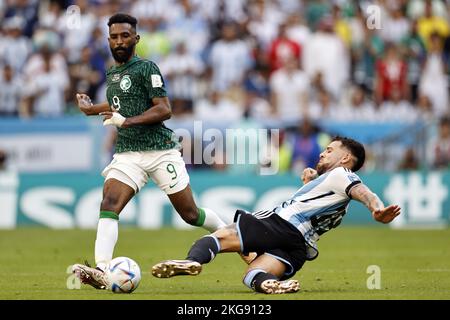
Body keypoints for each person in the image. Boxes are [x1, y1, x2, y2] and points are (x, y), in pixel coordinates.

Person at [72, 13, 226, 289]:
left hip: (160, 151)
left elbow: (164, 109)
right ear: (108, 40)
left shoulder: (147, 68)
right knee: (109, 204)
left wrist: (126, 121)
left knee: (190, 214)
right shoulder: (112, 72)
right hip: (128, 153)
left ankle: (234, 238)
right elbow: (119, 105)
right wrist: (91, 109)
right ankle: (102, 270)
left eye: (125, 36)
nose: (119, 41)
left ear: (136, 38)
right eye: (115, 37)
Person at [151, 137, 401, 294]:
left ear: (345, 158)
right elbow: (325, 201)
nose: (323, 153)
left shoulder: (342, 175)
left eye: (329, 150)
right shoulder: (334, 188)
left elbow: (362, 191)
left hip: (280, 225)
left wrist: (376, 208)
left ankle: (193, 260)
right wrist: (310, 183)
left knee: (220, 237)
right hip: (298, 249)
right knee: (253, 274)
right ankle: (272, 284)